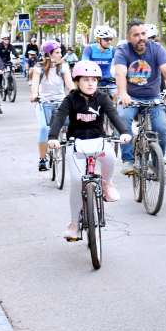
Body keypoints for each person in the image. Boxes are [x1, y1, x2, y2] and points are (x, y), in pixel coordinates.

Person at [47, 61, 130, 241]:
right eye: (86, 79)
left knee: (111, 157)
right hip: (75, 143)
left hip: (98, 141)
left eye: (94, 79)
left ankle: (107, 183)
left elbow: (113, 115)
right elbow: (60, 117)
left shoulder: (102, 98)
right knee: (77, 181)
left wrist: (124, 132)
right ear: (77, 81)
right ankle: (74, 224)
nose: (91, 83)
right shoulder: (70, 99)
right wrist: (53, 137)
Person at [113, 21, 166, 175]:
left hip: (153, 98)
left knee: (162, 128)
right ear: (129, 37)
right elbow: (120, 73)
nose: (141, 38)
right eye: (136, 35)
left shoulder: (157, 49)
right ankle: (128, 160)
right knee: (123, 119)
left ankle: (157, 162)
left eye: (143, 34)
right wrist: (123, 93)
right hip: (130, 98)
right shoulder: (122, 50)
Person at [31, 41, 73, 172]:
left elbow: (70, 84)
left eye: (60, 52)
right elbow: (35, 84)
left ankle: (71, 148)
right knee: (44, 129)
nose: (60, 55)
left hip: (61, 103)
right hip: (44, 103)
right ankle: (42, 159)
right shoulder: (39, 68)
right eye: (57, 52)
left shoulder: (63, 67)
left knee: (73, 124)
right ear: (48, 54)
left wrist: (76, 94)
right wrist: (34, 94)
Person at [81, 26, 118, 90]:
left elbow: (121, 63)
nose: (109, 41)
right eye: (106, 39)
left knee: (116, 96)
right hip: (93, 81)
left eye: (110, 39)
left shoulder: (112, 50)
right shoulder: (89, 49)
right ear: (98, 39)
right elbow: (84, 64)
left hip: (108, 81)